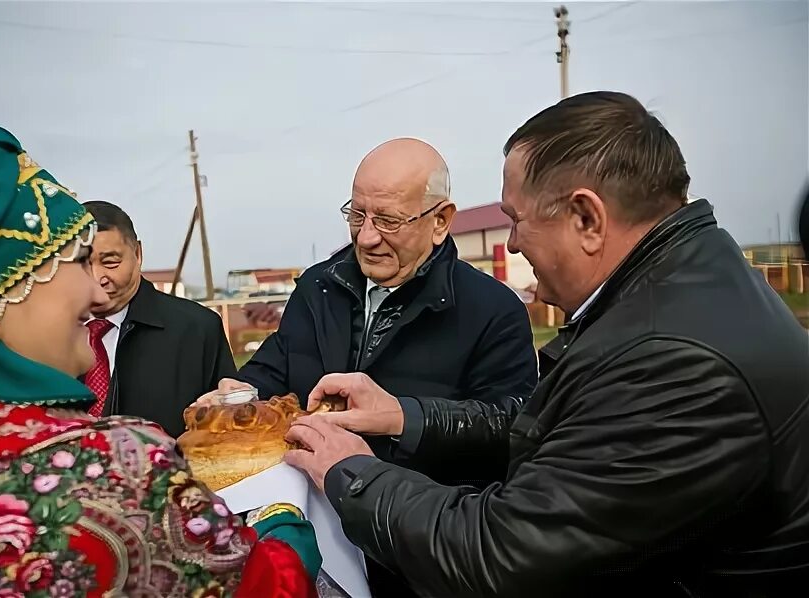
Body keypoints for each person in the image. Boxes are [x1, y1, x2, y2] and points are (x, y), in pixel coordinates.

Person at [284, 92, 809, 597]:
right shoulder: (685, 297)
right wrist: (401, 413)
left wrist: (351, 473)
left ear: (587, 219)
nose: (512, 242)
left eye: (518, 219)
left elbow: (505, 557)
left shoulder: (671, 360)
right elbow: (544, 430)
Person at [0, 126, 320, 597]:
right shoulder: (120, 466)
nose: (95, 288)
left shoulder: (195, 327)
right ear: (6, 289)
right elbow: (264, 586)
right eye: (75, 260)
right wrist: (285, 520)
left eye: (106, 261)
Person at [212, 138, 537, 484]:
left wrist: (403, 418)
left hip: (421, 525)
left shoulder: (493, 311)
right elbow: (272, 372)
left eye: (388, 220)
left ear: (440, 220)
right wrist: (238, 393)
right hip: (306, 517)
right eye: (356, 214)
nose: (366, 237)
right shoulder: (317, 289)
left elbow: (510, 429)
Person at [79, 200, 236, 438]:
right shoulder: (44, 335)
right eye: (82, 265)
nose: (97, 278)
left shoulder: (197, 330)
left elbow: (228, 426)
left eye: (110, 262)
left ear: (138, 253)